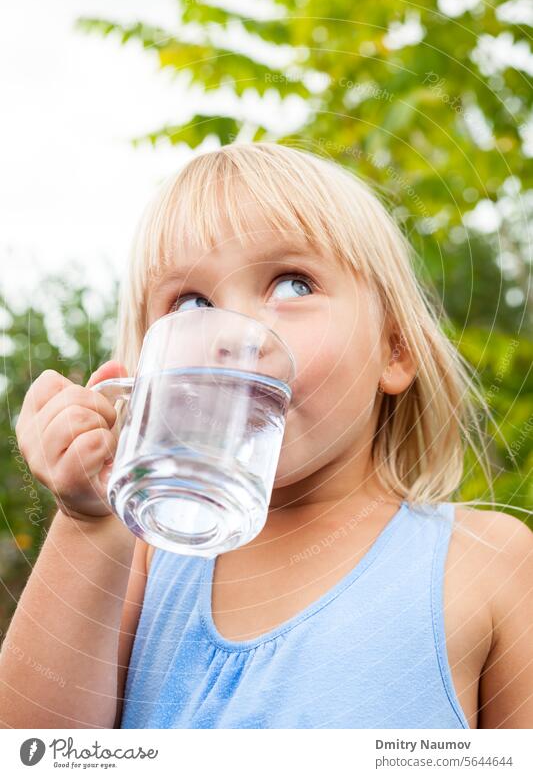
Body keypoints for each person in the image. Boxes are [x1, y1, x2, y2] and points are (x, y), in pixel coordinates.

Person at [1, 142, 531, 729]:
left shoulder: (489, 563)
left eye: (294, 285)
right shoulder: (145, 560)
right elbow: (34, 751)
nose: (238, 333)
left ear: (394, 349)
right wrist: (86, 524)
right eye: (192, 303)